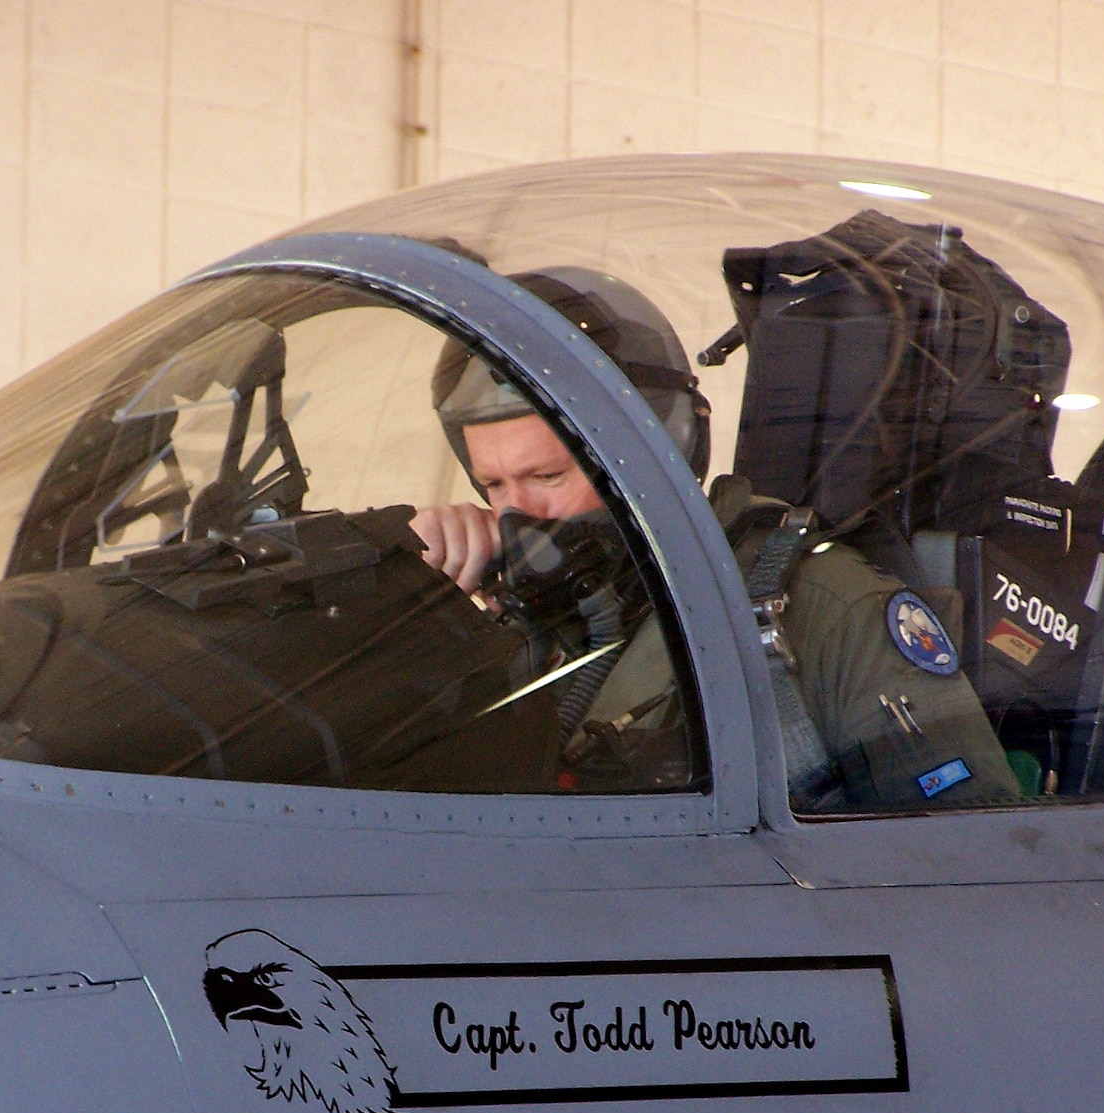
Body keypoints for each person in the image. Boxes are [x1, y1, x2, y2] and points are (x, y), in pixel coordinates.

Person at [408, 266, 1020, 811]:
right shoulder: (508, 622)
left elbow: (972, 855)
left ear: (656, 451)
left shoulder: (820, 610)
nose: (517, 514)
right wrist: (419, 599)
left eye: (547, 476)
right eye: (493, 484)